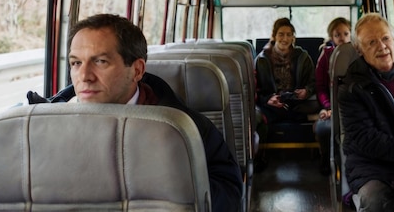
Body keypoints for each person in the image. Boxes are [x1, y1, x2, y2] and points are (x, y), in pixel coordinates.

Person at [34, 14, 242, 212]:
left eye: (100, 62)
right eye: (76, 63)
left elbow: (228, 194)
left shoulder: (186, 128)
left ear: (137, 70)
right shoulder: (42, 127)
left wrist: (173, 181)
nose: (84, 76)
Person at [338, 13, 394, 212]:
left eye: (385, 38)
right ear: (359, 49)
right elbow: (366, 139)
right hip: (370, 164)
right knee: (375, 199)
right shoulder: (352, 87)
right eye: (371, 42)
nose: (381, 46)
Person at [254, 18, 318, 171]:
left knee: (317, 107)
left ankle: (318, 157)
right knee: (256, 116)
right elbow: (256, 90)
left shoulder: (303, 57)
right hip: (271, 105)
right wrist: (269, 99)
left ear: (293, 37)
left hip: (297, 103)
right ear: (274, 36)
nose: (285, 38)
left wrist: (306, 92)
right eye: (281, 34)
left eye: (289, 34)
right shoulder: (262, 59)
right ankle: (259, 158)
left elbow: (314, 82)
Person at [314, 17, 351, 175]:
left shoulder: (359, 54)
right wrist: (329, 107)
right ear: (331, 37)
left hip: (351, 107)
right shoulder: (326, 56)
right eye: (337, 35)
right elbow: (320, 88)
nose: (342, 38)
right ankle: (327, 160)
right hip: (331, 106)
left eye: (345, 33)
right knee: (324, 129)